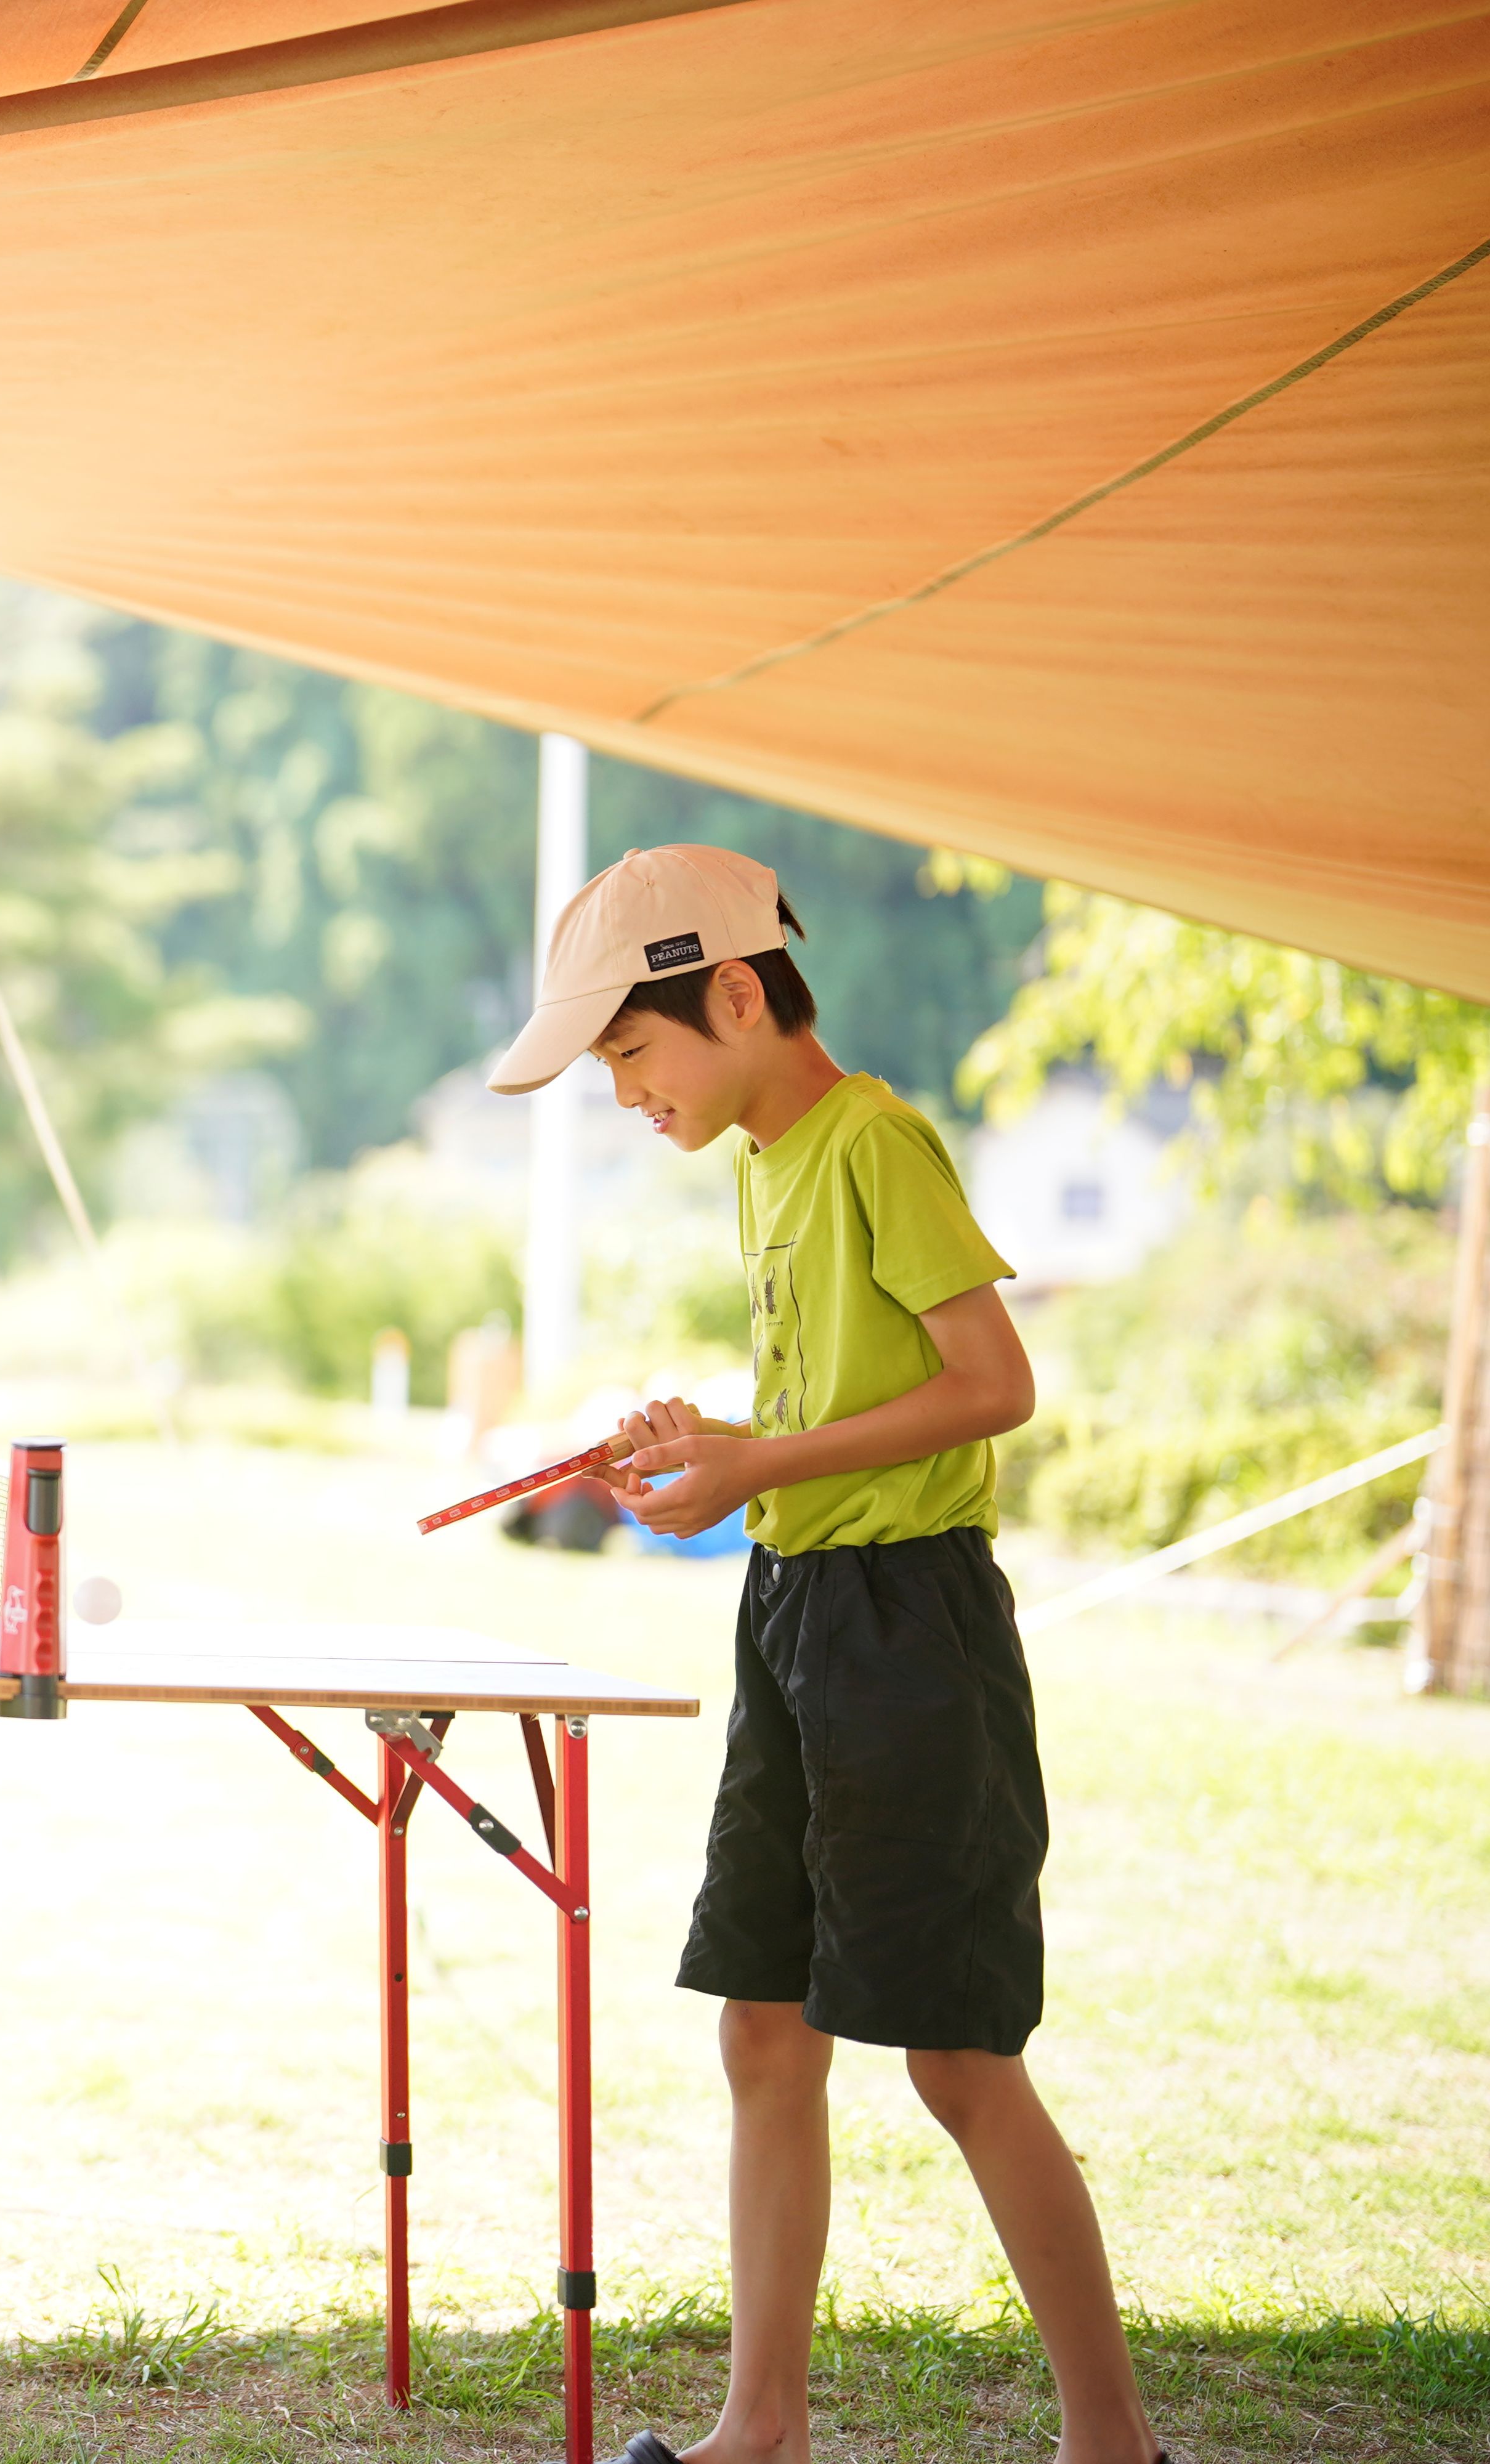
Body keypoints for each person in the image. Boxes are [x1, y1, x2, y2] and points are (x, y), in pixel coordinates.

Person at [487, 846, 1161, 2464]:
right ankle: (760, 2431)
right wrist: (714, 1441)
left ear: (733, 992)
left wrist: (758, 1467)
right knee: (762, 2026)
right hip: (795, 1615)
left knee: (955, 2057)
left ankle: (1114, 2446)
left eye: (636, 1053)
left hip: (913, 1631)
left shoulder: (874, 1140)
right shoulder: (761, 1159)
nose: (630, 1093)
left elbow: (993, 1387)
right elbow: (832, 1416)